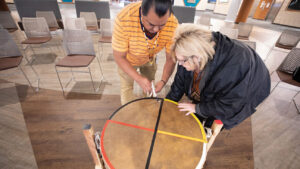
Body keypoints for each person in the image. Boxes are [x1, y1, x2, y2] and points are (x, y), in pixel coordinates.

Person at [166, 24, 270, 129]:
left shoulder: (234, 67)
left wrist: (198, 109)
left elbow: (231, 104)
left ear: (197, 57)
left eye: (182, 61)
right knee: (202, 101)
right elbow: (180, 81)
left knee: (212, 122)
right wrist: (167, 104)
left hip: (249, 88)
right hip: (224, 79)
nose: (179, 64)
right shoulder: (189, 53)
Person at [112, 0, 178, 105]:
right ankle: (127, 114)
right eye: (151, 24)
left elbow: (171, 59)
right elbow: (119, 57)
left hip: (150, 59)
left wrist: (163, 81)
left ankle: (146, 108)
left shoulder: (173, 23)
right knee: (127, 88)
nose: (156, 29)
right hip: (127, 61)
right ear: (142, 12)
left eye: (162, 25)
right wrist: (138, 78)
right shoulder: (124, 18)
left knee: (149, 88)